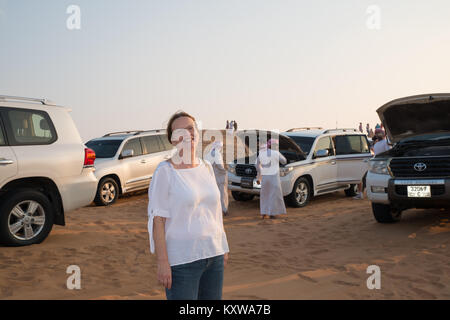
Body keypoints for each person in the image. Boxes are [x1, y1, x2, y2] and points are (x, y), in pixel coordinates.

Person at [148, 111, 230, 300]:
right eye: (181, 131)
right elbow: (157, 220)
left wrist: (223, 245)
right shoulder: (165, 172)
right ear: (174, 140)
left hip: (214, 255)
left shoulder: (207, 167)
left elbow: (215, 212)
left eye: (191, 128)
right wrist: (162, 262)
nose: (188, 133)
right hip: (182, 261)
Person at [256, 139, 287, 219]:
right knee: (273, 195)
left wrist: (261, 171)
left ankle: (263, 213)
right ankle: (272, 213)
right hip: (274, 178)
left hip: (265, 178)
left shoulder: (262, 153)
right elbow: (284, 161)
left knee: (265, 194)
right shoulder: (276, 153)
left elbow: (256, 164)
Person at [205, 141, 229, 215]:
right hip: (220, 177)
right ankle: (223, 210)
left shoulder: (208, 154)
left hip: (211, 177)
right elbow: (220, 166)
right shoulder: (217, 154)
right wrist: (225, 171)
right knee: (223, 194)